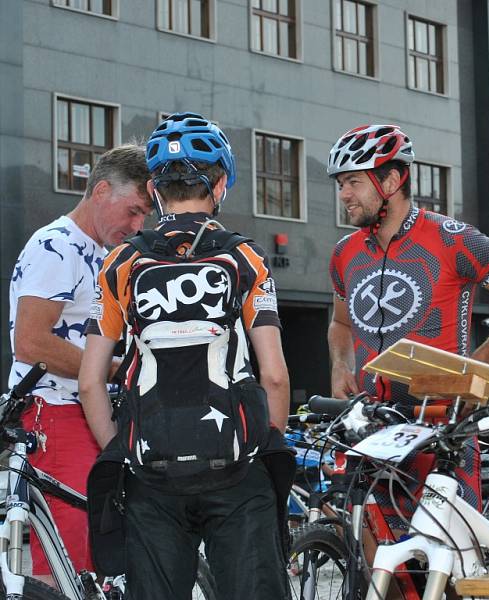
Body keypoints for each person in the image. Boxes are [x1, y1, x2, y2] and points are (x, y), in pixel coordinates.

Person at [79, 113, 292, 599]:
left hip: (152, 473)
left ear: (154, 188)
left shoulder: (122, 262)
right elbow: (275, 376)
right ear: (220, 183)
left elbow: (91, 381)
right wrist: (264, 448)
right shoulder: (245, 258)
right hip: (236, 471)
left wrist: (126, 450)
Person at [327, 123, 489, 525]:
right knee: (375, 560)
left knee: (443, 568)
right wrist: (340, 365)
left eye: (353, 182)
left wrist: (477, 367)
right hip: (375, 426)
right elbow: (341, 323)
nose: (344, 194)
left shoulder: (452, 238)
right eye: (342, 184)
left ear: (392, 180)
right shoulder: (345, 253)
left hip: (442, 424)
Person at [7, 144, 151, 583]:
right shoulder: (56, 245)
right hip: (55, 412)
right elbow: (29, 342)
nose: (138, 225)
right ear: (101, 189)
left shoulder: (106, 251)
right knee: (69, 561)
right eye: (134, 211)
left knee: (98, 557)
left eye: (146, 215)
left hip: (90, 412)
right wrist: (109, 369)